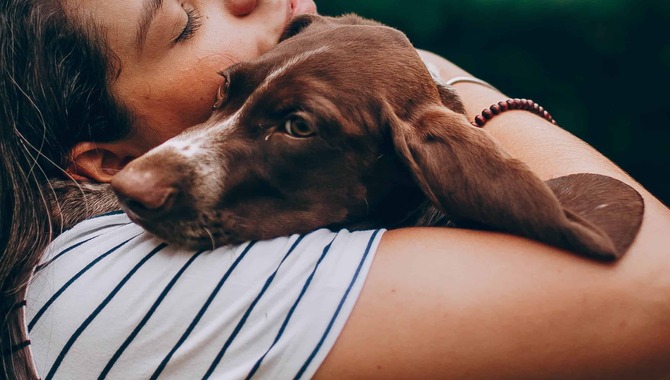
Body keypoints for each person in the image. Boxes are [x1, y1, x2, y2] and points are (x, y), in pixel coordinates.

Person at [1, 0, 669, 379]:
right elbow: (657, 288)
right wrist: (451, 97)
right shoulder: (105, 279)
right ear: (104, 162)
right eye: (185, 22)